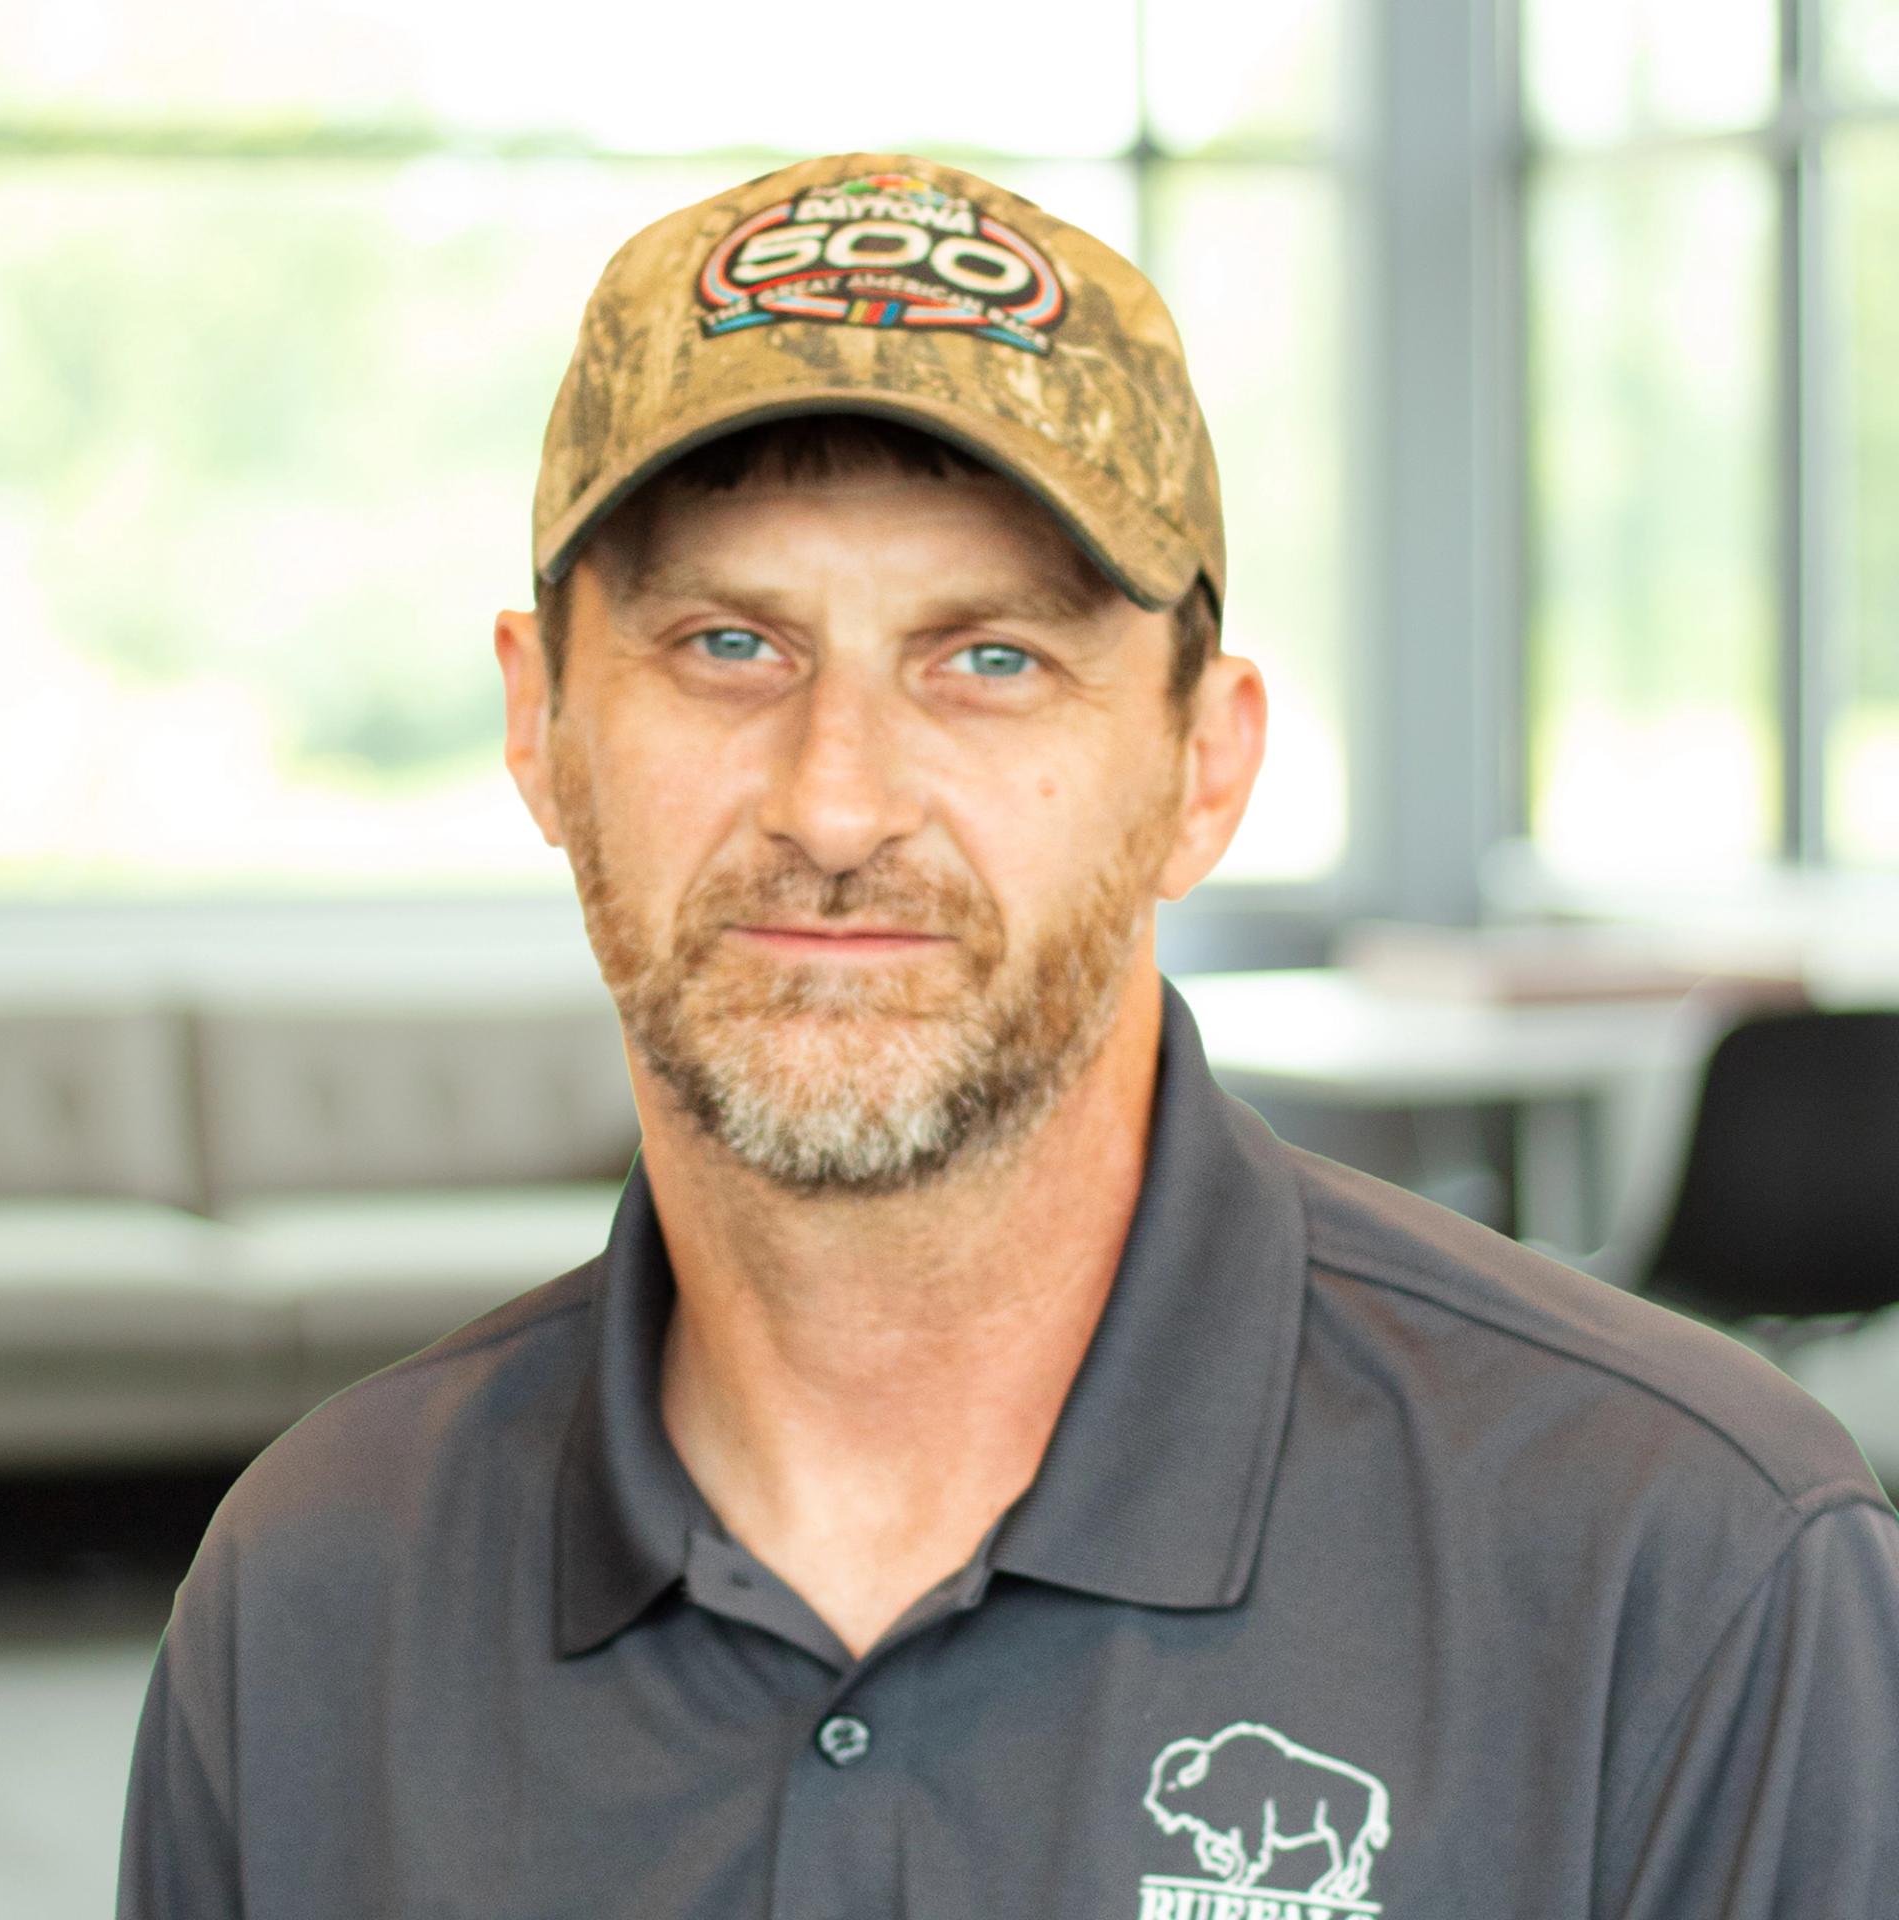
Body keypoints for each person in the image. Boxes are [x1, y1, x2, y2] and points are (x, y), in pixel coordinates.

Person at [118, 152, 1899, 1919]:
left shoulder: (1686, 1575)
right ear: (541, 727)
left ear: (1205, 766)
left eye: (990, 661)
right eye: (729, 643)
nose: (835, 803)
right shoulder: (315, 1601)